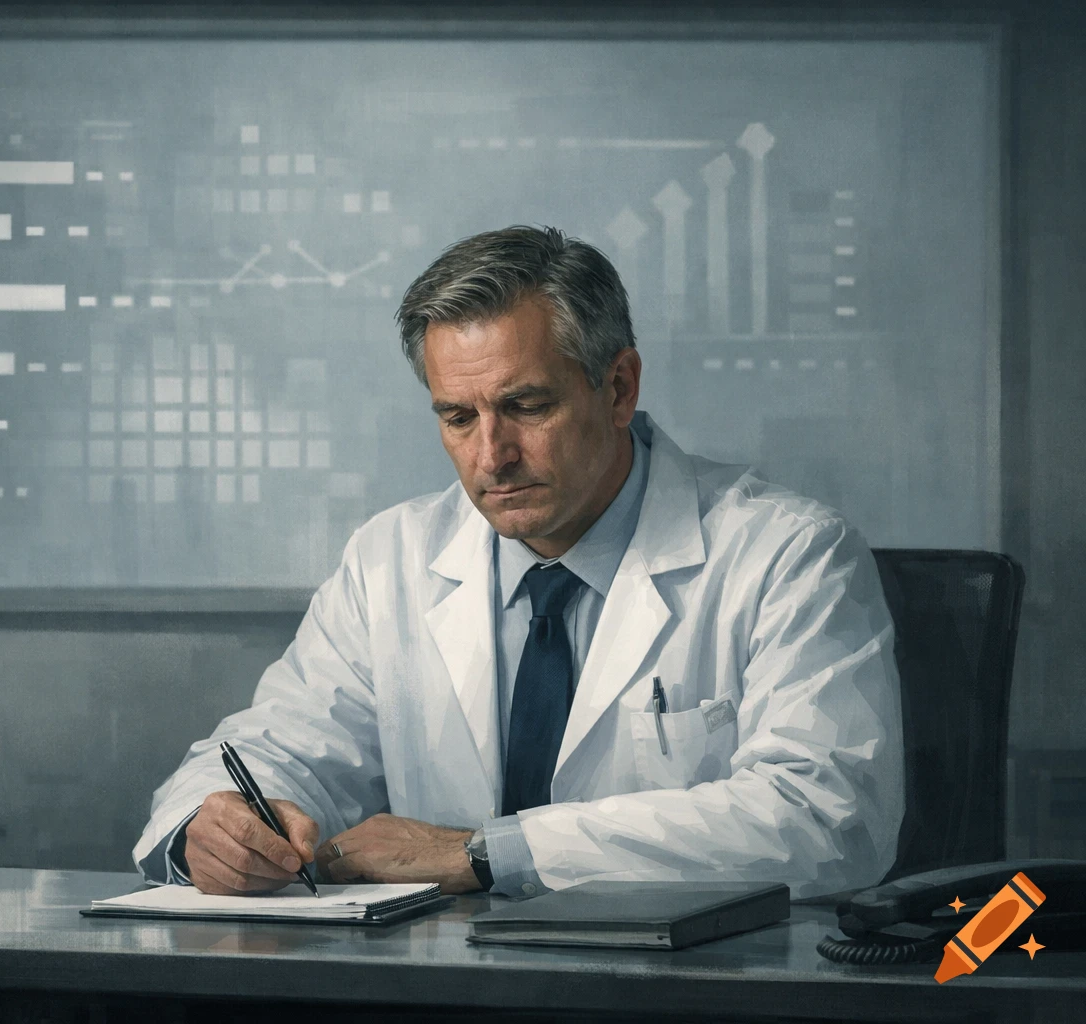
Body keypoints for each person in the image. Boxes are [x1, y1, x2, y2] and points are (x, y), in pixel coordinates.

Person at [132, 225, 904, 900]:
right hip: (435, 994)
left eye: (527, 407)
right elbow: (277, 748)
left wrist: (489, 854)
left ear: (618, 387)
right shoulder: (390, 559)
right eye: (458, 417)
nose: (491, 457)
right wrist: (216, 829)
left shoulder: (788, 553)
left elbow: (828, 817)